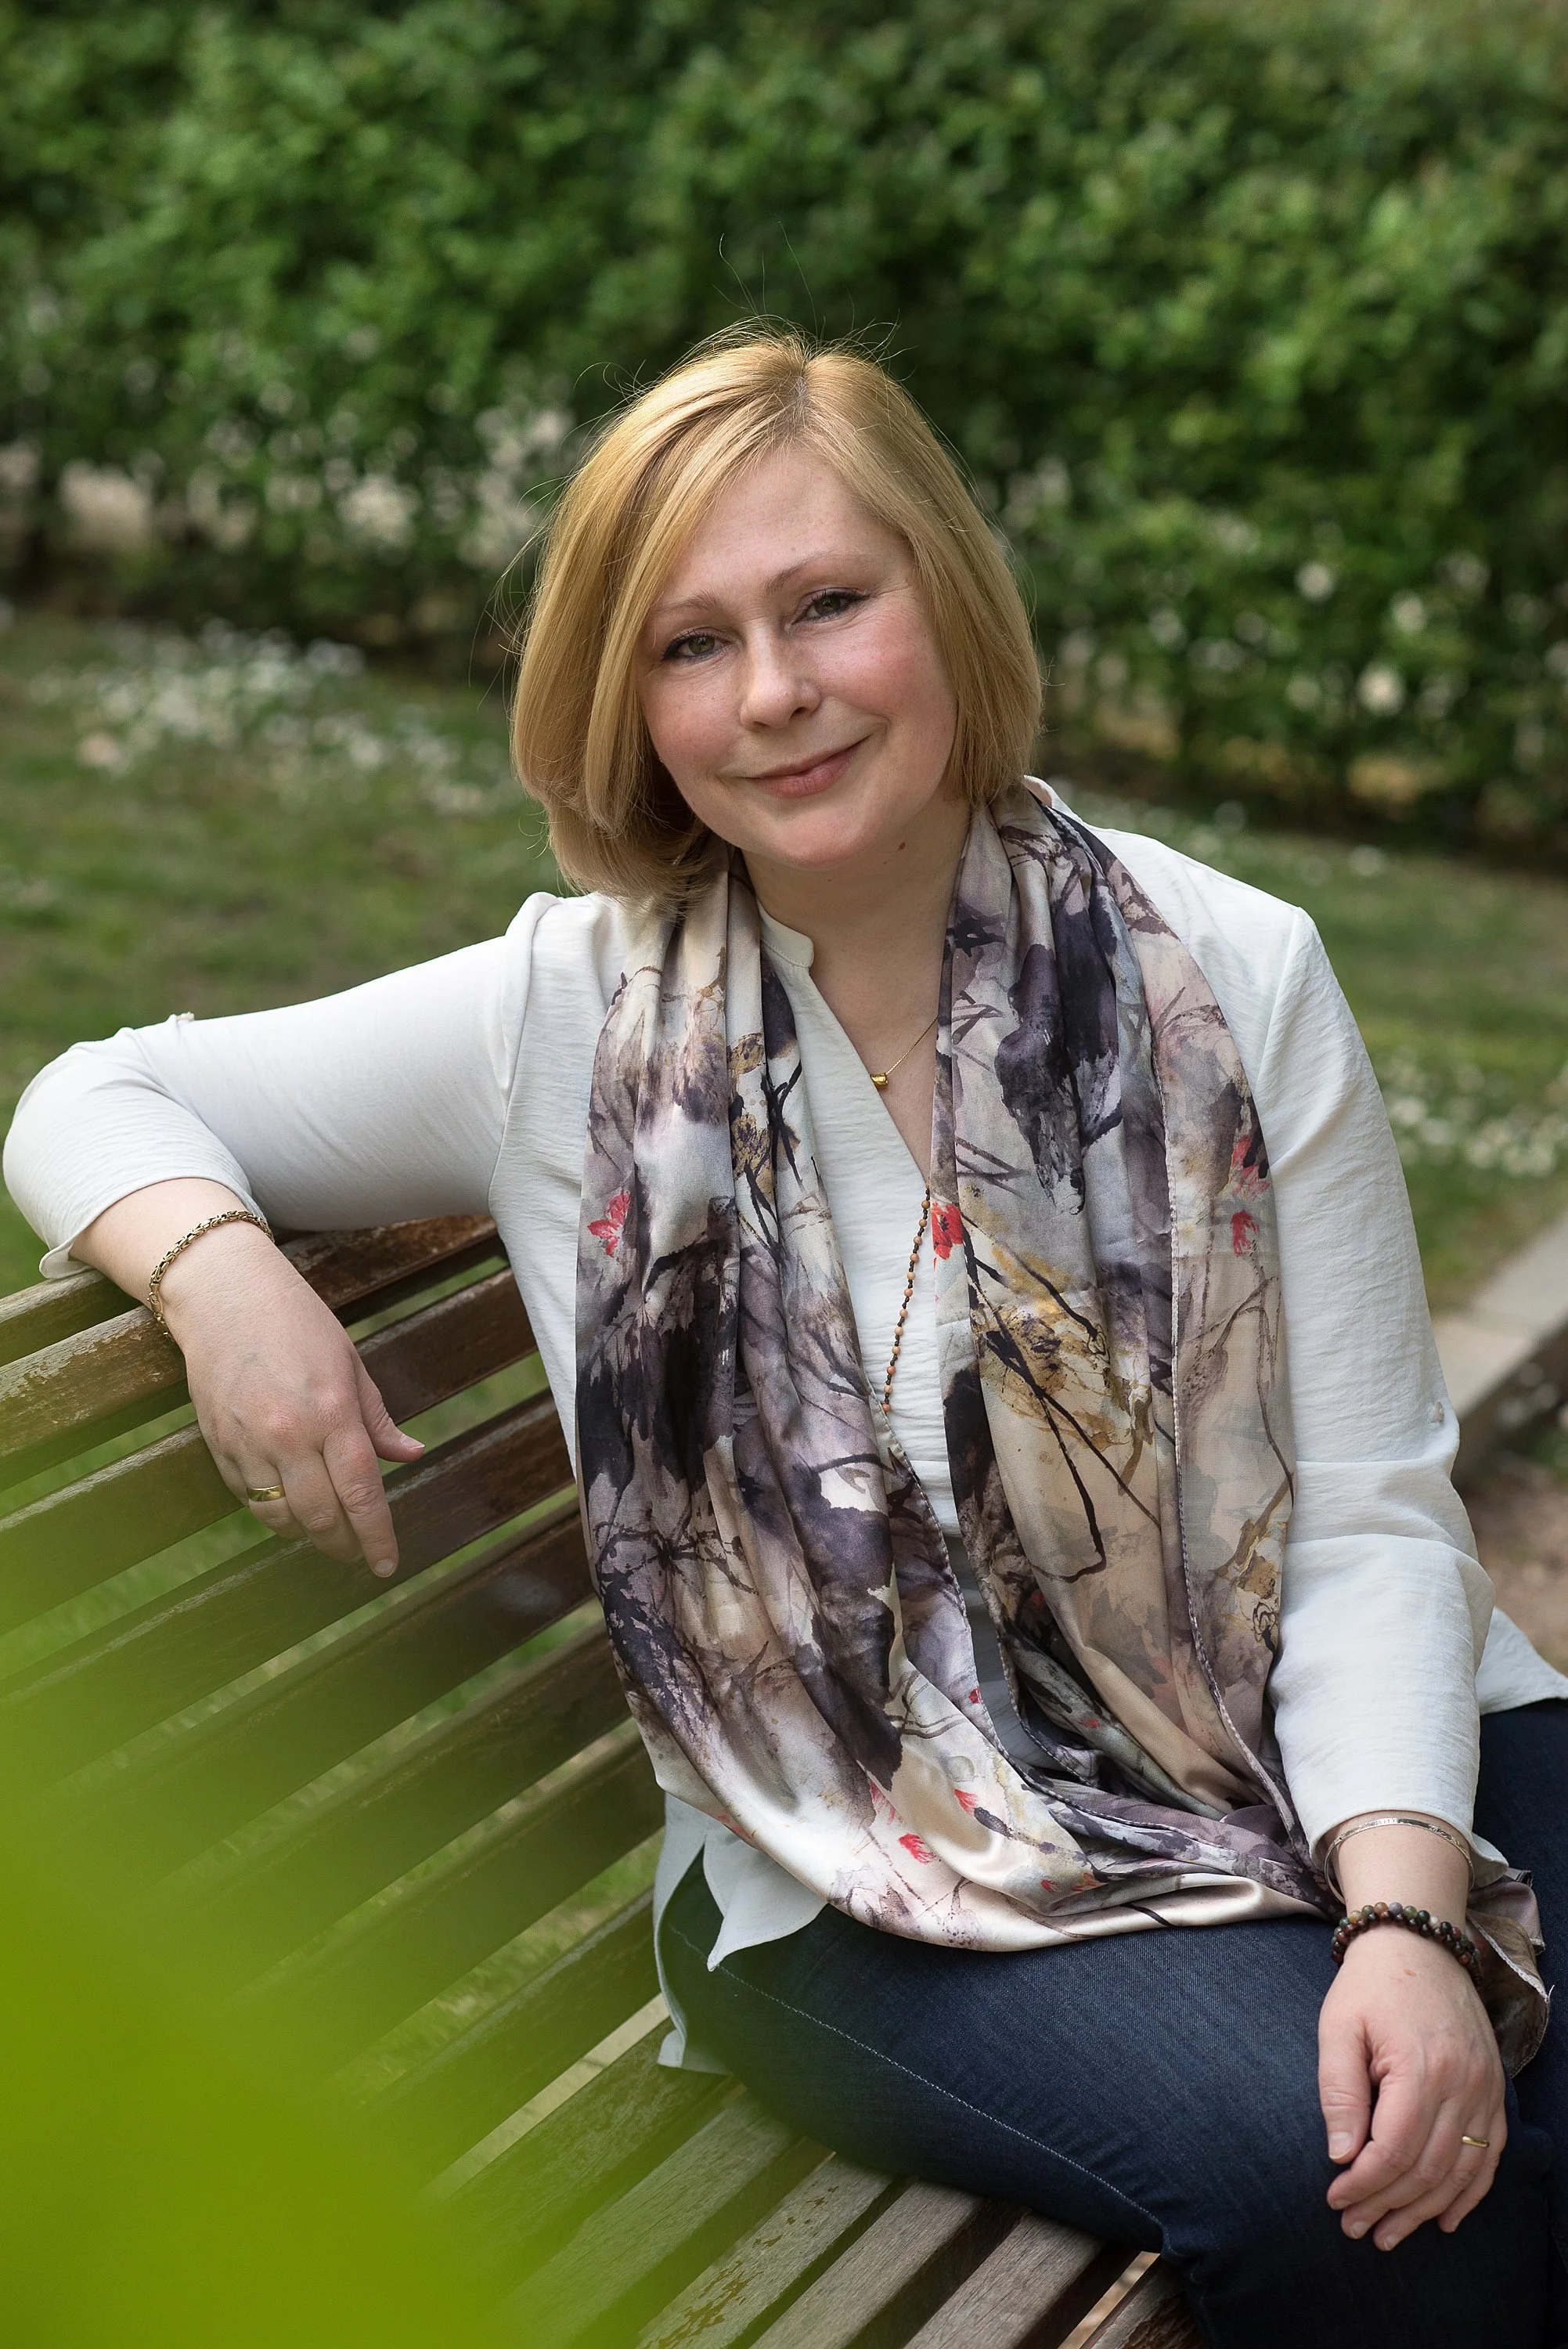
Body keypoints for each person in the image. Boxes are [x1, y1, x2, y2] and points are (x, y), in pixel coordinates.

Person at [6, 330, 1566, 2347]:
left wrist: (1400, 1914)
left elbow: (1363, 1516)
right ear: (619, 699)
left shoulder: (1236, 973)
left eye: (831, 603)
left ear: (949, 603)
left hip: (1295, 1725)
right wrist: (221, 1275)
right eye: (689, 644)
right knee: (1362, 2179)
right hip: (857, 1854)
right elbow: (95, 1094)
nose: (774, 696)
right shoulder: (560, 1019)